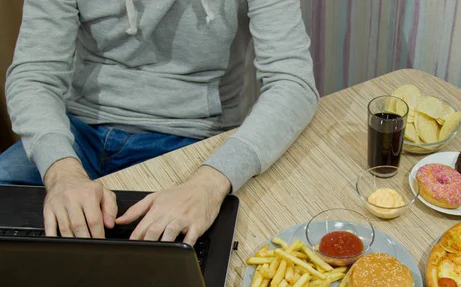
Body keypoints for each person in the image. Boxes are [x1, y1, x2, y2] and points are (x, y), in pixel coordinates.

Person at [1, 0, 318, 245]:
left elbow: (293, 85)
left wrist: (209, 184)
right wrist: (61, 174)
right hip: (77, 132)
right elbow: (34, 76)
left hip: (197, 142)